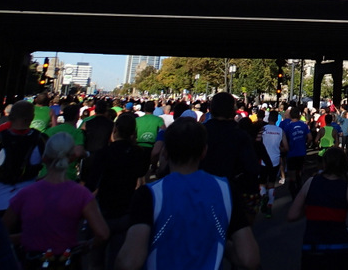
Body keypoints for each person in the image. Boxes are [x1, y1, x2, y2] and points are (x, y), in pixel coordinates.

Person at [116, 118, 260, 270]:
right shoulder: (225, 189)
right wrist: (218, 241)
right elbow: (249, 258)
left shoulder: (149, 194)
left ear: (165, 152)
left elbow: (129, 261)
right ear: (204, 151)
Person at [3, 133, 109, 266]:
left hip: (32, 260)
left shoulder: (25, 193)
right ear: (71, 159)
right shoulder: (81, 194)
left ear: (44, 158)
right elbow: (103, 233)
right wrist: (86, 245)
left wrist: (23, 238)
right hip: (66, 259)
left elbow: (3, 230)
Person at [83, 112, 151, 270]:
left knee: (96, 259)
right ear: (133, 132)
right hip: (126, 209)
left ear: (115, 129)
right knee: (118, 258)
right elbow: (141, 172)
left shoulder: (104, 153)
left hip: (104, 210)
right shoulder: (137, 153)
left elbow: (92, 183)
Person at [288, 147, 348, 270]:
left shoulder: (310, 183)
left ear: (324, 163)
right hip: (339, 246)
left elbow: (292, 215)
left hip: (313, 246)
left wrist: (310, 208)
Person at [199, 92, 260, 213]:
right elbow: (251, 168)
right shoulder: (240, 136)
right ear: (233, 110)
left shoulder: (201, 132)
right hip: (232, 193)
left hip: (202, 190)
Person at [0, 101, 48, 214]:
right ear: (31, 117)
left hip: (1, 199)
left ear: (10, 116)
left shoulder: (1, 138)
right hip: (28, 201)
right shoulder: (40, 139)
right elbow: (55, 167)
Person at [256, 110, 284, 218]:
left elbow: (257, 142)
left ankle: (263, 195)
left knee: (262, 182)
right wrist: (278, 148)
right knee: (271, 183)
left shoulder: (263, 129)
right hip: (275, 160)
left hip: (263, 160)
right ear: (277, 119)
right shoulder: (280, 131)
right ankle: (269, 207)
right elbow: (285, 147)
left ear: (268, 119)